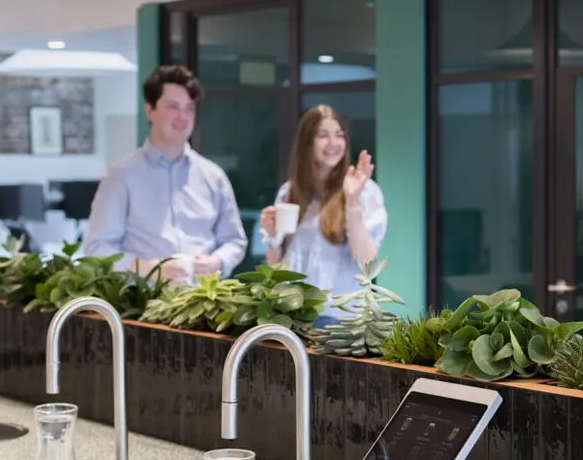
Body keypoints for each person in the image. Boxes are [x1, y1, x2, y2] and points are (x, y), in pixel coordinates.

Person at [83, 65, 248, 284]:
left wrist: (217, 262)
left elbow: (235, 241)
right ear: (150, 111)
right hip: (142, 300)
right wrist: (148, 269)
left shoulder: (213, 176)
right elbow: (96, 247)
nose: (183, 117)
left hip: (203, 299)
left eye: (189, 108)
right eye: (173, 107)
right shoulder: (121, 175)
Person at [259, 105, 387, 327]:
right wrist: (272, 238)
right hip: (292, 315)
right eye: (323, 135)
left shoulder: (364, 191)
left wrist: (352, 202)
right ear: (307, 143)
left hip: (339, 320)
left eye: (339, 135)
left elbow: (367, 264)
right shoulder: (289, 192)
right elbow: (276, 267)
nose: (333, 143)